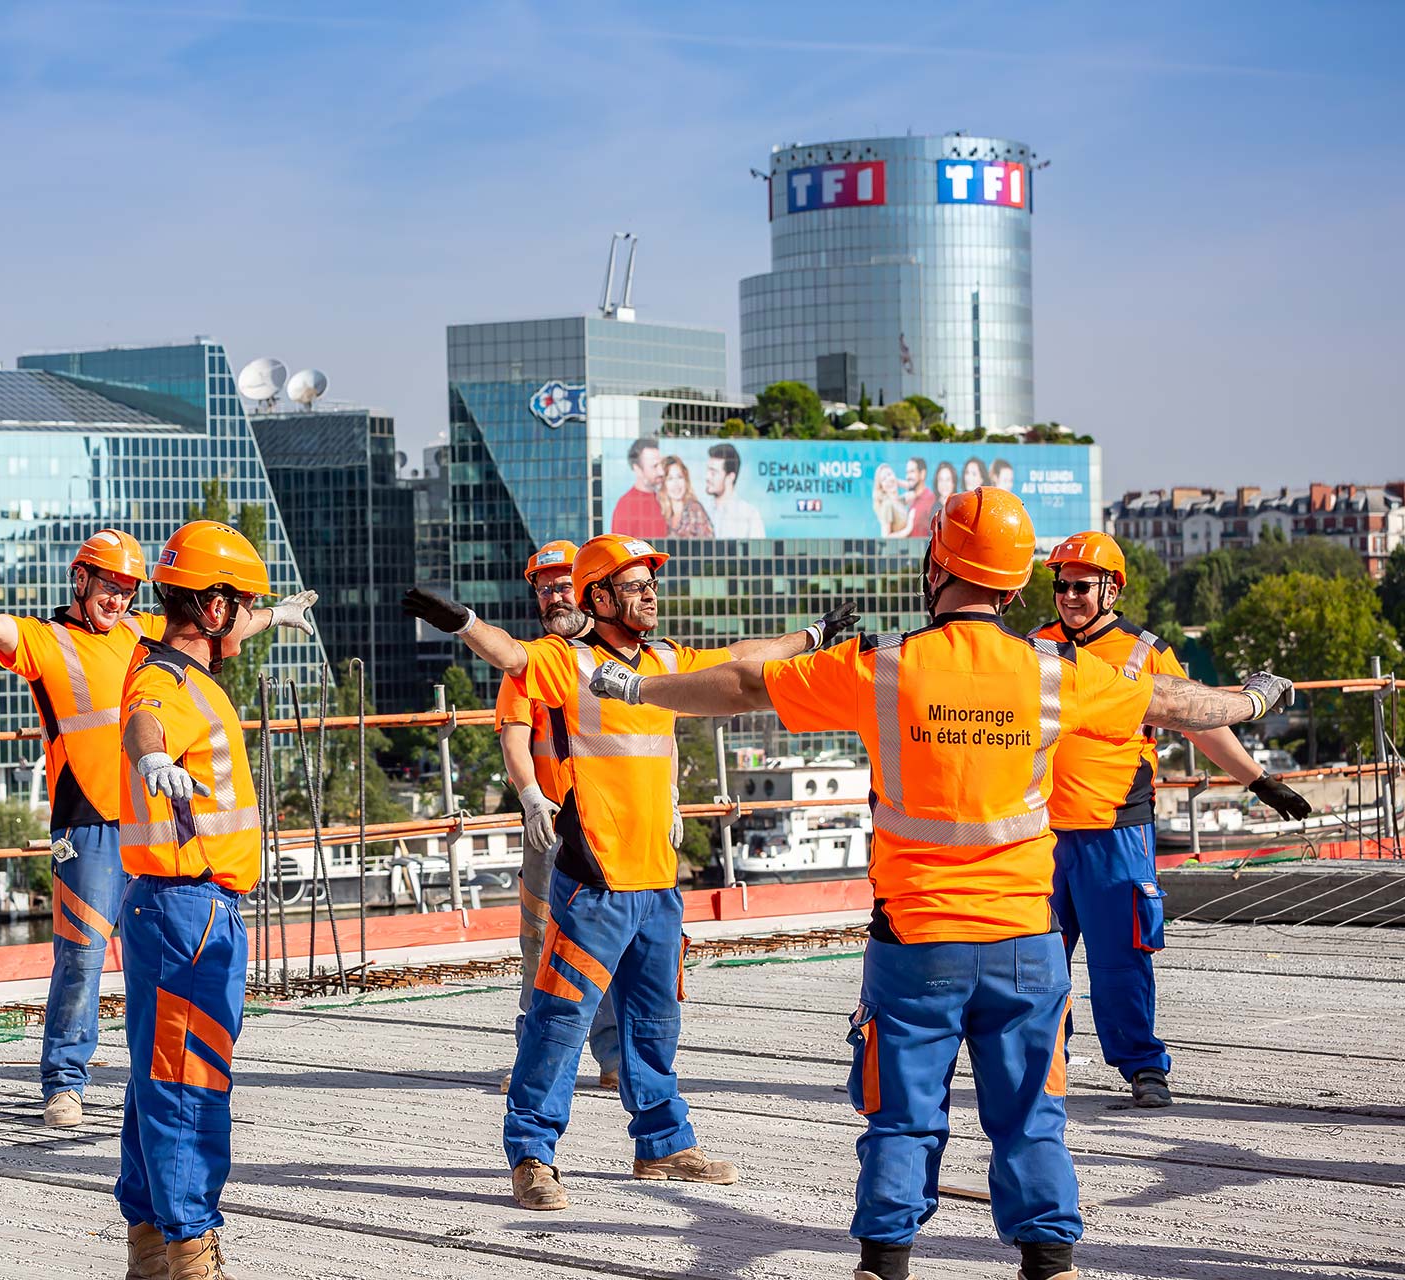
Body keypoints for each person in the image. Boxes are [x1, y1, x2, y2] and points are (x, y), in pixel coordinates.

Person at [582, 487, 1295, 1280]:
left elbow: (746, 685)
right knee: (1031, 1119)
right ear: (1019, 584)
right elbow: (1174, 702)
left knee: (903, 1121)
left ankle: (884, 1264)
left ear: (936, 564)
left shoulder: (885, 666)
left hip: (916, 944)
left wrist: (637, 688)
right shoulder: (1057, 673)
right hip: (1026, 942)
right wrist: (1257, 698)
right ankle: (1050, 1263)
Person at [403, 538, 858, 1212]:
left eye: (651, 585)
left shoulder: (668, 662)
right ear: (600, 597)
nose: (650, 595)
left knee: (654, 1020)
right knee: (559, 1020)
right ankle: (532, 1155)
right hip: (596, 876)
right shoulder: (569, 662)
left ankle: (663, 1144)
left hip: (656, 877)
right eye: (636, 586)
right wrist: (462, 622)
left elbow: (742, 659)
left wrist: (814, 634)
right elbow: (510, 656)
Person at [0, 533, 313, 1129]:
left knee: (159, 961)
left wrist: (275, 614)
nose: (118, 599)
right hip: (88, 821)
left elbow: (214, 628)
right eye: (109, 586)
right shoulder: (48, 640)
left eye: (128, 589)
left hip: (148, 823)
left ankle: (152, 1082)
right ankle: (64, 1082)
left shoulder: (142, 634)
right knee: (83, 955)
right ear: (81, 582)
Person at [1033, 532, 1310, 1107]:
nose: (1068, 595)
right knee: (1037, 961)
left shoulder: (1144, 652)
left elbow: (1200, 721)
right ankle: (1042, 1064)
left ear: (1111, 589)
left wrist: (1258, 780)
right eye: (1060, 584)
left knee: (1122, 960)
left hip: (1117, 831)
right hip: (1040, 835)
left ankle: (1142, 1067)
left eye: (1081, 585)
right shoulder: (1032, 646)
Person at [116, 520, 271, 1280]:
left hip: (179, 906)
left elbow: (157, 687)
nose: (248, 615)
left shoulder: (176, 663)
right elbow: (145, 716)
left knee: (159, 1075)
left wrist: (276, 613)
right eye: (243, 604)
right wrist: (149, 755)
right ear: (212, 609)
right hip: (189, 910)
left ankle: (151, 1240)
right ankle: (190, 1248)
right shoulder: (167, 683)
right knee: (189, 1081)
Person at [496, 540, 620, 1095]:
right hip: (552, 822)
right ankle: (537, 1063)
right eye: (543, 588)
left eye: (562, 585)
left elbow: (654, 732)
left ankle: (617, 1058)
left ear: (590, 590)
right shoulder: (530, 663)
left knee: (616, 941)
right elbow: (515, 736)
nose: (552, 597)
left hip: (611, 823)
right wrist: (530, 796)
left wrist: (665, 797)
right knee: (541, 940)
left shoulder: (614, 657)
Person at [703, 443, 766, 538]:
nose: (707, 477)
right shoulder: (702, 511)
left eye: (713, 472)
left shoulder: (748, 515)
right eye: (707, 471)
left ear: (730, 477)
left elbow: (758, 551)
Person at [612, 438, 667, 538]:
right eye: (655, 466)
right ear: (637, 469)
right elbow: (621, 548)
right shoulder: (626, 505)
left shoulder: (666, 498)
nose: (661, 472)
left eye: (661, 465)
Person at [658, 456, 714, 538]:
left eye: (680, 477)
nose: (676, 484)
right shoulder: (660, 512)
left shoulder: (694, 509)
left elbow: (709, 545)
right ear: (663, 484)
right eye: (670, 479)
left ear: (686, 480)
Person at [872, 463, 910, 538]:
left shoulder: (900, 501)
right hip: (896, 549)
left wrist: (896, 481)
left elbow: (916, 490)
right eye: (883, 479)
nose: (888, 479)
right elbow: (886, 537)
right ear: (881, 487)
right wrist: (908, 530)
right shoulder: (887, 505)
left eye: (889, 474)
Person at [901, 457, 935, 535]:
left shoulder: (930, 499)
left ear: (922, 474)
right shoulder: (911, 499)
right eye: (907, 472)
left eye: (912, 472)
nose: (908, 477)